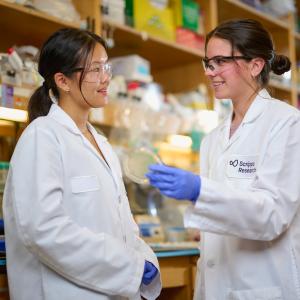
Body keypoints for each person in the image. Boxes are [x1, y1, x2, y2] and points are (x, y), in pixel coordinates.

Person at [146, 18, 300, 299]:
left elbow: (272, 214)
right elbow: (221, 215)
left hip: (264, 286)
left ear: (255, 65)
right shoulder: (212, 139)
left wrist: (200, 191)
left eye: (220, 61)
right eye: (208, 62)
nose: (210, 72)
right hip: (215, 285)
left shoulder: (287, 123)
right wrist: (199, 203)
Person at [3, 28, 161, 300]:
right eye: (95, 70)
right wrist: (129, 268)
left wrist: (145, 259)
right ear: (63, 81)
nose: (106, 78)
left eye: (106, 67)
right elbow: (45, 230)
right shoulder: (43, 136)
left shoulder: (101, 142)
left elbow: (125, 224)